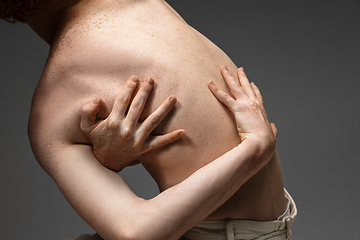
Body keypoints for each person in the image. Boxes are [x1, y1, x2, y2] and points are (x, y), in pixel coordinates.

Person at [1, 0, 296, 239]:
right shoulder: (56, 103)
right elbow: (135, 232)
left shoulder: (54, 105)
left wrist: (107, 162)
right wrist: (253, 150)